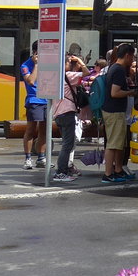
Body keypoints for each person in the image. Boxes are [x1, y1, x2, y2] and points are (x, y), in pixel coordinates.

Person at [101, 42, 137, 183]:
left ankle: (118, 170)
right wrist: (130, 92)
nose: (133, 60)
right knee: (113, 144)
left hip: (114, 110)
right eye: (132, 57)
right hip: (114, 111)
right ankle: (108, 174)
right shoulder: (119, 70)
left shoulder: (114, 68)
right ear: (127, 55)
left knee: (119, 143)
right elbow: (115, 93)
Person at [51, 53, 86, 183]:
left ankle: (63, 170)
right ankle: (61, 172)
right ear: (64, 64)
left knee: (66, 143)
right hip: (67, 112)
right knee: (67, 144)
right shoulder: (68, 76)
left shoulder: (56, 76)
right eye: (68, 63)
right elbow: (86, 73)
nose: (69, 65)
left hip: (59, 113)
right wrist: (80, 62)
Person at [20, 41, 47, 170]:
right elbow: (30, 81)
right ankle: (28, 158)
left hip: (47, 100)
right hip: (34, 100)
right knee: (31, 130)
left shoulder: (49, 64)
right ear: (35, 52)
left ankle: (41, 158)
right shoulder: (26, 65)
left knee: (44, 130)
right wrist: (36, 64)